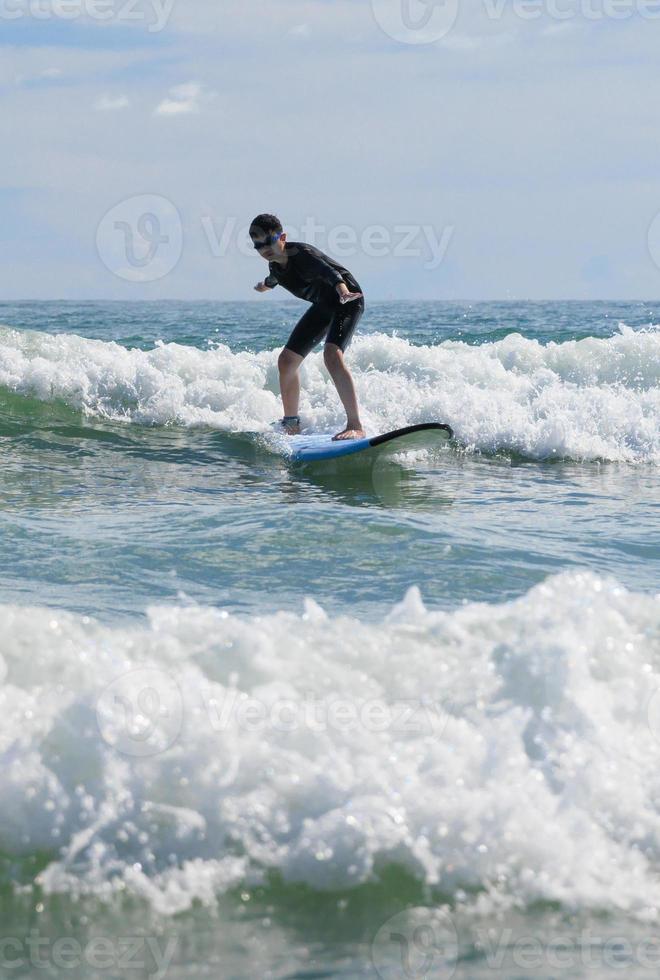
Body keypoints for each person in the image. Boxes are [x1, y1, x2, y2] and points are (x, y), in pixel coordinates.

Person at [250, 213, 365, 441]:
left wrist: (343, 291)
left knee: (332, 355)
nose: (265, 249)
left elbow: (329, 272)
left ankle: (355, 425)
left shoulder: (302, 255)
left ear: (282, 237)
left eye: (269, 241)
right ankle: (291, 423)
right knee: (286, 361)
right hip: (324, 306)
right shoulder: (276, 267)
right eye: (258, 245)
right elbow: (274, 278)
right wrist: (265, 286)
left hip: (347, 299)